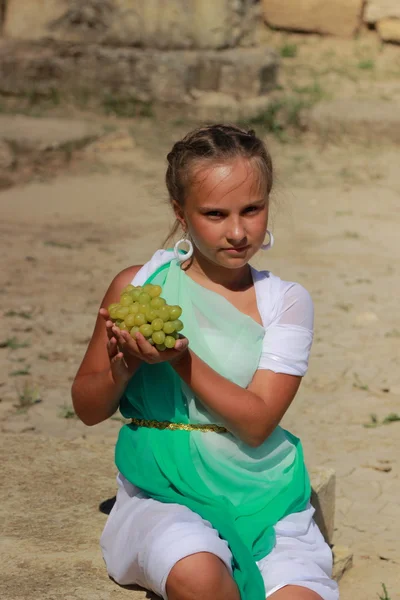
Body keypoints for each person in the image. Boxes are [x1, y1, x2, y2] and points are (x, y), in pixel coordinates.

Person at [72, 124, 339, 600]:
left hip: (263, 493)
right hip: (163, 493)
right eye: (215, 214)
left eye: (252, 210)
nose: (237, 231)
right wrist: (125, 366)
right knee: (198, 572)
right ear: (181, 212)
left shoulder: (286, 301)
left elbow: (256, 424)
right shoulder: (139, 285)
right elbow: (88, 407)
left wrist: (179, 359)